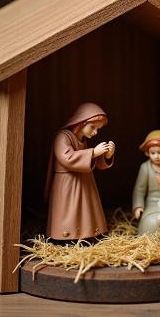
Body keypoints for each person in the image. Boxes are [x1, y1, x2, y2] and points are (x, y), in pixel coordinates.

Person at [45, 102, 115, 240]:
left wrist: (106, 155)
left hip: (84, 181)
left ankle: (87, 234)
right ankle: (67, 236)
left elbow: (89, 161)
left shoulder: (81, 139)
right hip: (67, 183)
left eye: (98, 129)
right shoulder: (63, 137)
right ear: (81, 122)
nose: (95, 132)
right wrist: (93, 152)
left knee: (85, 211)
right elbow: (67, 158)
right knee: (69, 211)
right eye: (93, 127)